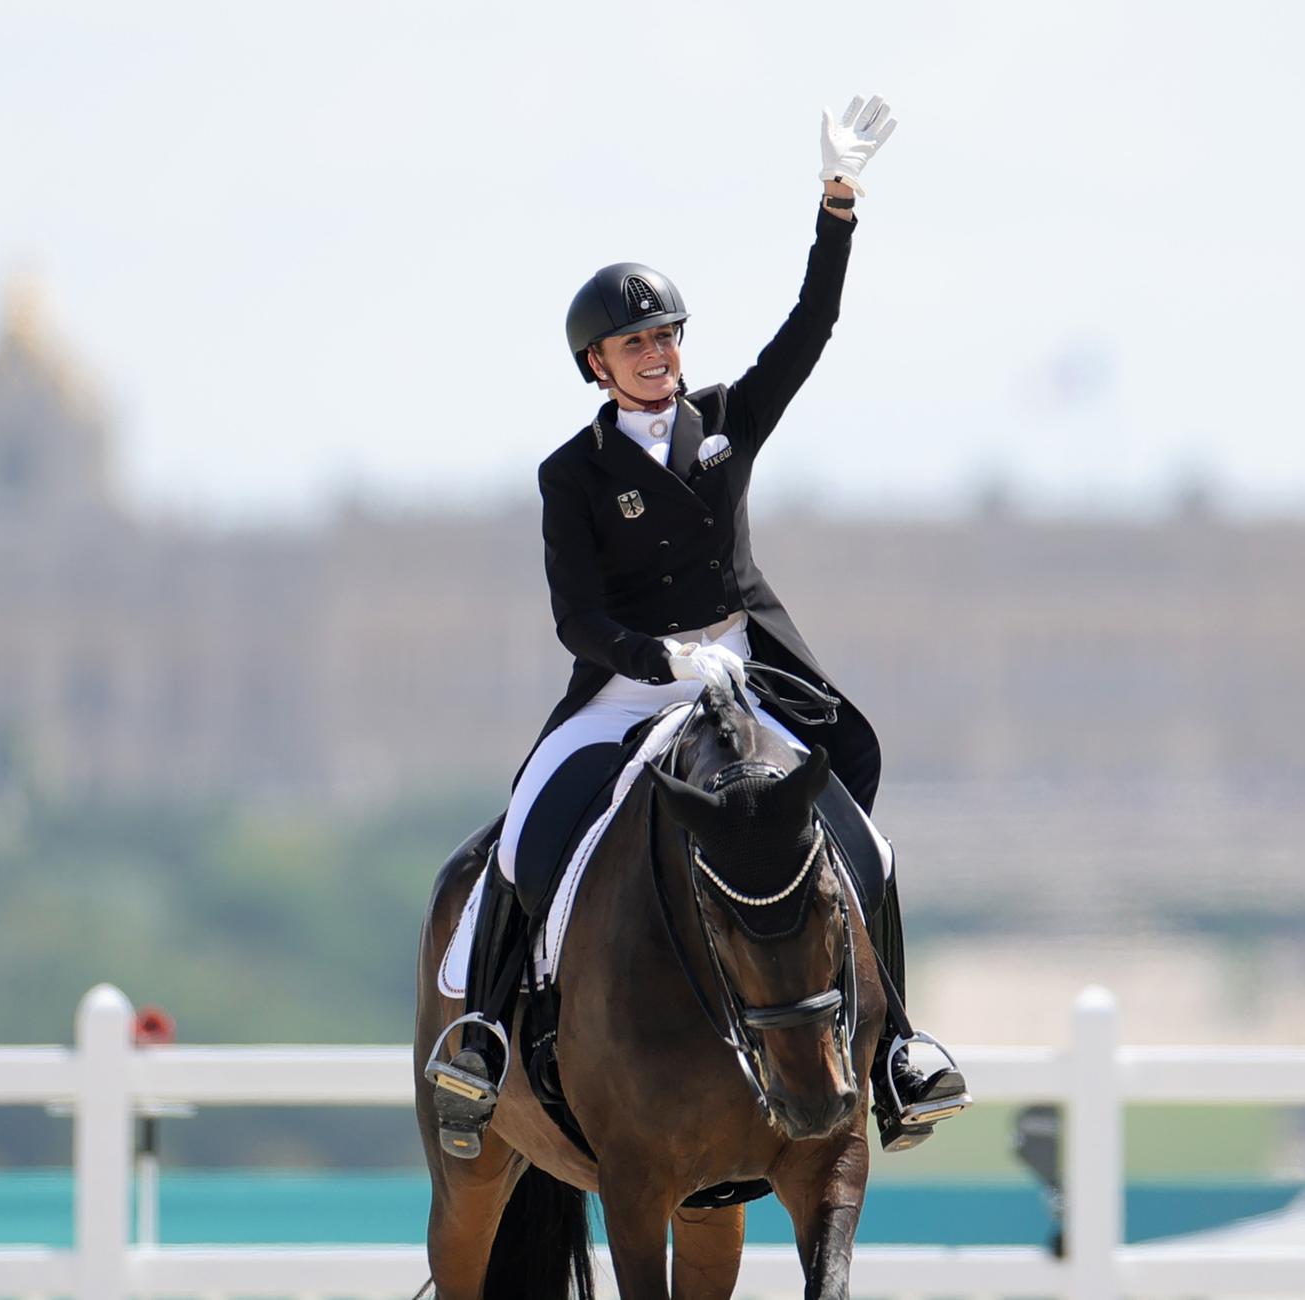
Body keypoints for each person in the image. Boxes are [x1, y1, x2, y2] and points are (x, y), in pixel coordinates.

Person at [428, 95, 967, 1158]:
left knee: (869, 845)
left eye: (666, 336)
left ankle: (899, 1047)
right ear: (597, 363)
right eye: (634, 343)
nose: (656, 354)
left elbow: (808, 333)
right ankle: (486, 1033)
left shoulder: (722, 423)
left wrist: (837, 207)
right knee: (526, 829)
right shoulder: (569, 476)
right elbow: (576, 615)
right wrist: (652, 658)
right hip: (629, 682)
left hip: (742, 667)